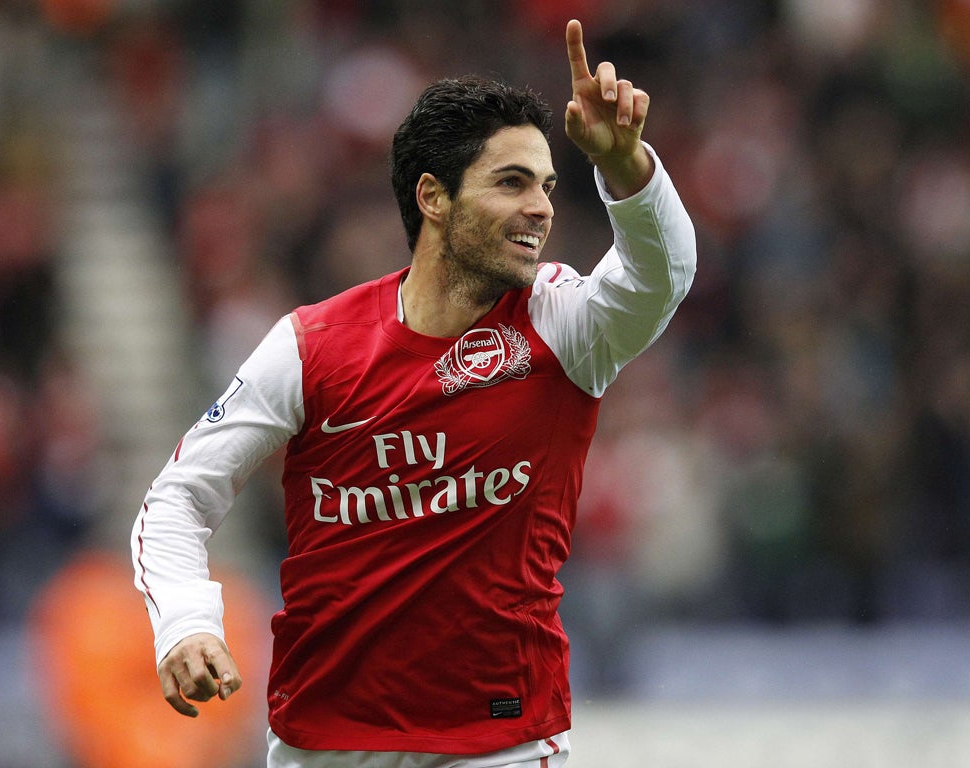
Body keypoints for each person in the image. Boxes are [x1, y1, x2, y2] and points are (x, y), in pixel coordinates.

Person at [131, 18, 696, 768]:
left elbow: (662, 279)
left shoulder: (560, 322)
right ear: (433, 198)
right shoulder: (312, 346)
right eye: (511, 182)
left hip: (502, 738)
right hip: (325, 741)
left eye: (547, 185)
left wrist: (626, 167)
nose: (542, 208)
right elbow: (178, 497)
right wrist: (186, 623)